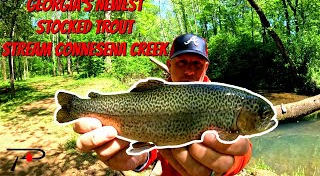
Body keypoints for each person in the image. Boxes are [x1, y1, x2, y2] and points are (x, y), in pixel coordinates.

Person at [73, 33, 252, 176]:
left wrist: (231, 165)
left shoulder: (223, 99)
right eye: (182, 62)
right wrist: (138, 159)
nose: (189, 71)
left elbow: (244, 146)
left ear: (206, 67)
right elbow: (151, 149)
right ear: (169, 64)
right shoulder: (153, 98)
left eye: (197, 64)